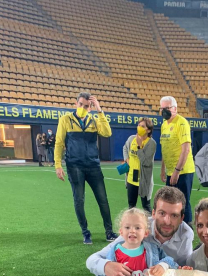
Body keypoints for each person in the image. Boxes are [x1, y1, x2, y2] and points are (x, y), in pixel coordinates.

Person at [54, 92, 118, 244]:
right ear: (76, 104)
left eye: (86, 106)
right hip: (74, 166)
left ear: (90, 108)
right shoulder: (65, 120)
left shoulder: (94, 120)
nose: (83, 107)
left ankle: (109, 232)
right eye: (81, 104)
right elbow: (59, 143)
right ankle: (86, 233)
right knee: (79, 200)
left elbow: (107, 132)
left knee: (103, 199)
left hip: (93, 166)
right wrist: (58, 165)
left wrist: (99, 110)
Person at [86, 186, 194, 276]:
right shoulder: (138, 227)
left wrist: (178, 268)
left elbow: (181, 267)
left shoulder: (186, 234)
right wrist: (106, 266)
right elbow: (92, 260)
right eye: (162, 213)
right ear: (153, 213)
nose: (167, 221)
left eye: (174, 215)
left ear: (181, 218)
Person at [106, 208, 178, 276]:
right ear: (121, 232)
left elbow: (170, 261)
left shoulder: (153, 249)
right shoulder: (114, 252)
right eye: (127, 227)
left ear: (146, 233)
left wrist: (163, 265)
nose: (132, 231)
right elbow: (107, 271)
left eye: (137, 228)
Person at [159, 96, 195, 225]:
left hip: (183, 171)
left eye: (166, 108)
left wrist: (177, 171)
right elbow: (165, 148)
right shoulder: (164, 125)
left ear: (174, 108)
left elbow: (186, 149)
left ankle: (187, 231)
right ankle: (173, 228)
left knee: (183, 201)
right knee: (170, 201)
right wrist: (163, 169)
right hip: (170, 170)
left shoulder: (182, 122)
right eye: (161, 109)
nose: (164, 111)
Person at [123, 118, 156, 213]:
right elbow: (125, 148)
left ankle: (150, 226)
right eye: (138, 125)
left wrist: (139, 146)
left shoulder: (151, 143)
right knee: (131, 206)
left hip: (144, 181)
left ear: (148, 130)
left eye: (142, 126)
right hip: (131, 179)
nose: (139, 127)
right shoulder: (131, 138)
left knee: (146, 206)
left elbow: (146, 162)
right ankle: (132, 226)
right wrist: (127, 159)